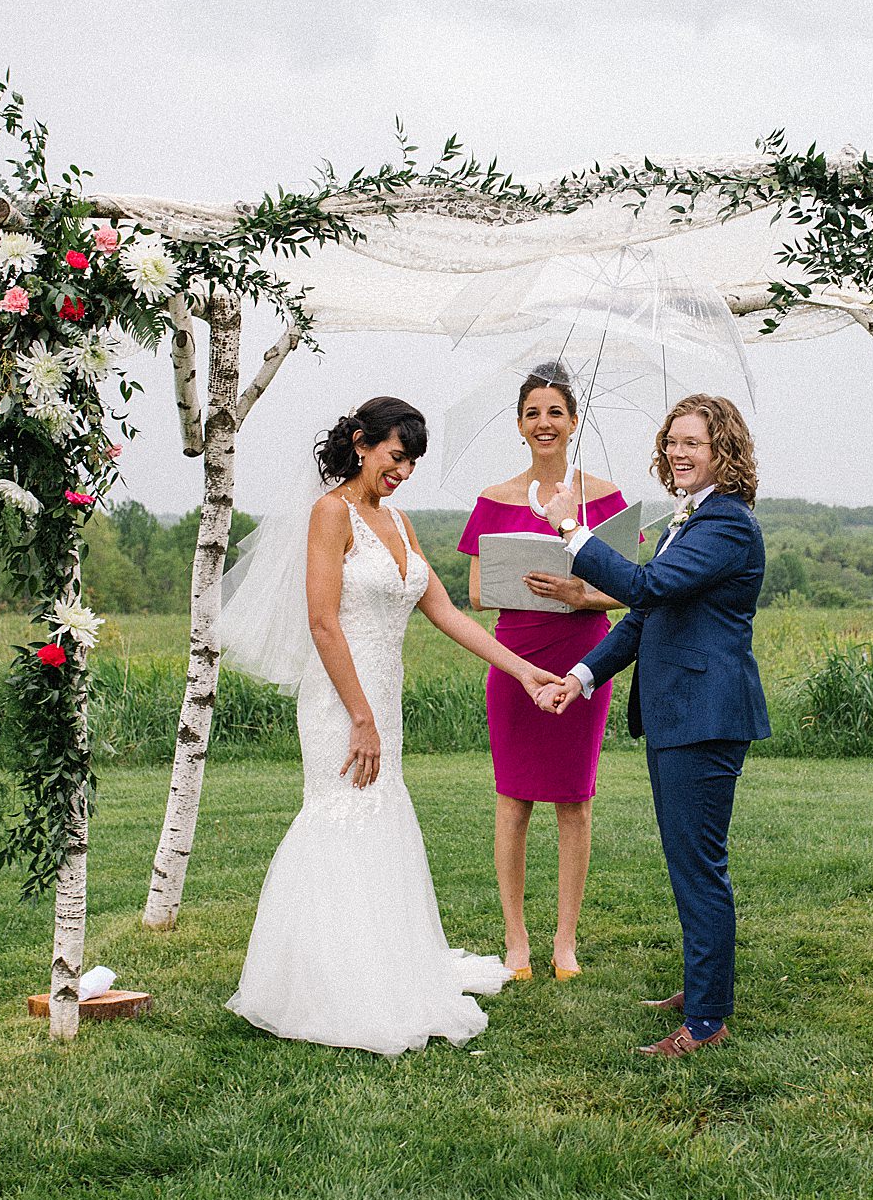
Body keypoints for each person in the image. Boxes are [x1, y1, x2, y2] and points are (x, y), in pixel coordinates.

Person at [221, 397, 562, 1056]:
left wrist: (523, 671)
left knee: (379, 818)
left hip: (383, 699)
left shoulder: (400, 524)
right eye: (395, 457)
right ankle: (325, 983)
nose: (402, 472)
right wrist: (359, 717)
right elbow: (322, 622)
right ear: (360, 443)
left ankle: (380, 968)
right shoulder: (331, 514)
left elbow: (449, 613)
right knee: (341, 816)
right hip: (340, 703)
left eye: (411, 463)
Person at [538, 394, 769, 1057]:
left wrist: (572, 532)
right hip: (678, 715)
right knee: (687, 861)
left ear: (724, 450)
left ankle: (706, 1022)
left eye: (692, 441)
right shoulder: (688, 522)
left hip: (706, 715)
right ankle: (705, 992)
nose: (677, 451)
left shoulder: (727, 524)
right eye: (672, 441)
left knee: (699, 865)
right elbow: (645, 622)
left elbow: (647, 589)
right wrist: (579, 678)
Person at [456, 363, 629, 981]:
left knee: (575, 802)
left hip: (585, 658)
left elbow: (630, 590)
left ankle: (564, 942)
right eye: (533, 412)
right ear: (520, 424)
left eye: (555, 411)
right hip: (515, 658)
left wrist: (578, 592)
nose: (544, 423)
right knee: (513, 802)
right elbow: (476, 593)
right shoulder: (494, 500)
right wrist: (528, 584)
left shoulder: (605, 497)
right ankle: (517, 942)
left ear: (574, 421)